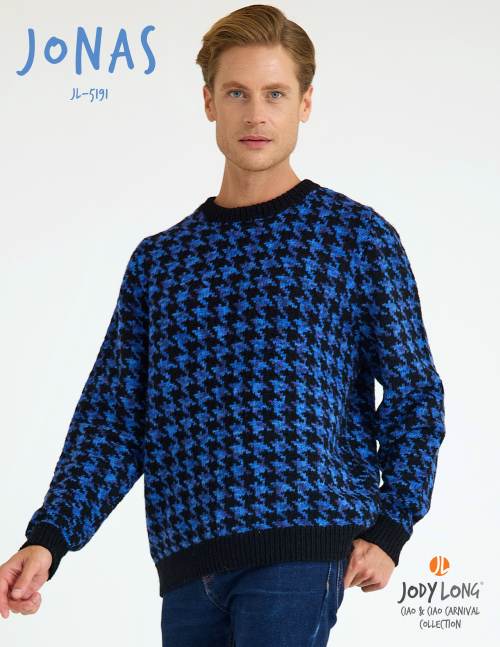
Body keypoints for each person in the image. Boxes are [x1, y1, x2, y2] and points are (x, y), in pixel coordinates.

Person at [0, 4, 446, 645]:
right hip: (187, 566)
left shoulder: (353, 239)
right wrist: (48, 539)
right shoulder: (160, 262)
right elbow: (115, 417)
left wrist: (391, 526)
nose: (256, 114)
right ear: (209, 101)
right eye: (237, 93)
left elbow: (415, 392)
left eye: (275, 93)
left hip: (298, 552)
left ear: (305, 103)